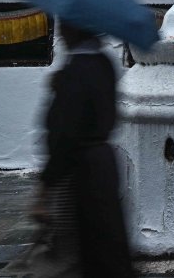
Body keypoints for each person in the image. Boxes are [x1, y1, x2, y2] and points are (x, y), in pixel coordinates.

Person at [33, 22, 134, 277]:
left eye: (64, 28)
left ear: (74, 31)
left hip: (80, 172)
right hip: (103, 165)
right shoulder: (103, 63)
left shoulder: (77, 70)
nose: (60, 34)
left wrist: (44, 191)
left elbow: (63, 134)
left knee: (77, 250)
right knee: (108, 244)